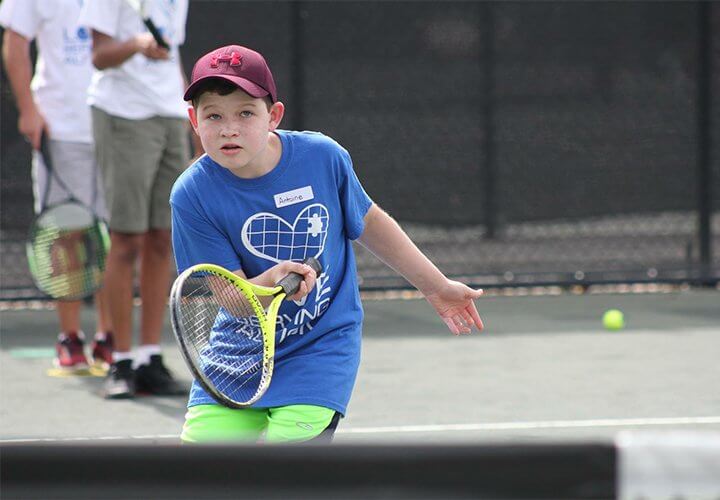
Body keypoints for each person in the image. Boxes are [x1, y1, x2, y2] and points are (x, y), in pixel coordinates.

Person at [171, 44, 485, 443]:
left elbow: (368, 222)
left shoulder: (322, 157)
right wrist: (272, 278)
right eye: (213, 115)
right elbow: (231, 297)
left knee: (292, 475)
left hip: (319, 350)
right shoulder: (191, 195)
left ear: (274, 116)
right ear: (193, 121)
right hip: (236, 358)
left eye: (245, 113)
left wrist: (436, 287)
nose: (229, 128)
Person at [78, 0, 192, 398]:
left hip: (170, 116)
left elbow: (172, 54)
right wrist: (138, 44)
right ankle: (120, 359)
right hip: (122, 115)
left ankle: (148, 357)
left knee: (162, 237)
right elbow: (99, 56)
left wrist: (188, 116)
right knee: (126, 238)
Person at [0, 0, 114, 372]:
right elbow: (15, 42)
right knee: (66, 233)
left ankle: (110, 338)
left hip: (118, 125)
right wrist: (28, 109)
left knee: (118, 237)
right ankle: (70, 337)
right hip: (61, 130)